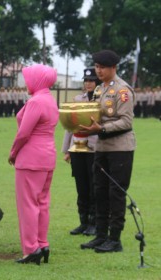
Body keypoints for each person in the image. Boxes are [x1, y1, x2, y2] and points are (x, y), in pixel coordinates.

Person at [79, 50, 136, 253]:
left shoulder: (122, 90)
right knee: (99, 191)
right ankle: (100, 235)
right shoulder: (99, 90)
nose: (99, 71)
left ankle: (115, 239)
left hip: (120, 148)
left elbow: (126, 121)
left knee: (116, 193)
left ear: (114, 67)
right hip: (101, 147)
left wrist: (102, 129)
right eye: (97, 66)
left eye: (102, 67)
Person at [8, 64, 59, 265]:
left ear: (37, 80)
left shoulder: (36, 102)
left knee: (28, 205)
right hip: (47, 157)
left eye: (28, 78)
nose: (26, 82)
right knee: (42, 203)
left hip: (30, 158)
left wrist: (13, 153)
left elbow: (23, 133)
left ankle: (31, 249)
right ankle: (42, 243)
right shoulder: (49, 100)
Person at [61, 67, 101, 236]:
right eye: (86, 81)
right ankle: (83, 222)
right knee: (81, 186)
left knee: (94, 187)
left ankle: (94, 223)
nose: (88, 83)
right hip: (77, 147)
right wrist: (67, 149)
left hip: (94, 148)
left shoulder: (102, 100)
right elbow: (70, 127)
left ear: (97, 82)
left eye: (91, 80)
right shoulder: (78, 99)